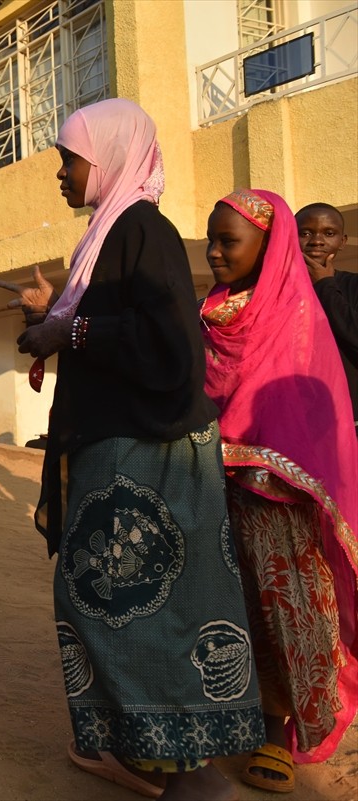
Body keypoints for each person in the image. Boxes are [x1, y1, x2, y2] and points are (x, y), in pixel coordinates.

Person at [0, 98, 263, 799]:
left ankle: (195, 775)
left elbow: (167, 347)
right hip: (123, 449)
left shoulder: (142, 228)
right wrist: (49, 315)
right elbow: (110, 330)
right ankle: (145, 752)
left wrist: (69, 331)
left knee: (138, 608)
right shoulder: (111, 233)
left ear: (109, 157)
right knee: (114, 605)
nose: (60, 172)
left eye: (69, 158)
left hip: (150, 454)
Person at [202, 189, 358, 793]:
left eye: (228, 242)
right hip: (211, 483)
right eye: (212, 240)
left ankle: (276, 730)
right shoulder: (211, 312)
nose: (214, 252)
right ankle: (222, 719)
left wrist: (263, 458)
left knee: (281, 614)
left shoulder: (295, 314)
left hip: (278, 494)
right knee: (220, 609)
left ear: (268, 248)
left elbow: (301, 406)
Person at [296, 202, 357, 431]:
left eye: (328, 233)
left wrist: (325, 285)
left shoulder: (354, 285)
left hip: (350, 424)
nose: (316, 241)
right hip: (299, 423)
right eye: (305, 233)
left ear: (343, 241)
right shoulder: (278, 289)